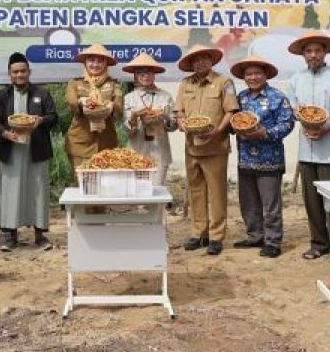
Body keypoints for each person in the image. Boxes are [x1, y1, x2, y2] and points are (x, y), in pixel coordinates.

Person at [287, 30, 330, 259]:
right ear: (303, 55)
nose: (313, 54)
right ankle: (318, 242)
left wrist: (326, 128)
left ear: (325, 52)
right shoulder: (296, 79)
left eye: (317, 50)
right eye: (309, 51)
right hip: (307, 149)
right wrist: (302, 117)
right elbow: (295, 109)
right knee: (312, 200)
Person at [174, 45, 238, 255]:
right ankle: (198, 232)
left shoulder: (224, 83)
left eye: (204, 58)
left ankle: (216, 235)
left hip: (215, 147)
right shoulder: (185, 84)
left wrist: (218, 130)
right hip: (191, 146)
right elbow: (179, 111)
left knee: (217, 193)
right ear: (191, 64)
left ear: (211, 61)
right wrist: (182, 122)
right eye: (196, 59)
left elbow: (231, 111)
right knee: (196, 191)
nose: (200, 62)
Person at [0, 53, 58, 251]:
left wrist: (40, 121)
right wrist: (4, 133)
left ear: (29, 72)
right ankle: (11, 236)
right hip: (10, 151)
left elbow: (54, 117)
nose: (19, 75)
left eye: (23, 71)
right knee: (10, 192)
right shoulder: (2, 96)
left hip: (36, 150)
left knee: (38, 191)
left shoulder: (42, 93)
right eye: (15, 72)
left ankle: (40, 236)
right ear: (9, 74)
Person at [231, 56, 294, 258]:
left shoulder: (278, 97)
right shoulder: (240, 98)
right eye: (249, 74)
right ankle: (255, 236)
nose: (253, 77)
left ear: (265, 75)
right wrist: (235, 129)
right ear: (244, 77)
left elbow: (287, 124)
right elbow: (233, 121)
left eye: (257, 73)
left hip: (270, 159)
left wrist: (265, 133)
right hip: (246, 157)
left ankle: (273, 241)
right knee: (248, 202)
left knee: (270, 203)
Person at [63, 43, 125, 173]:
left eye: (100, 61)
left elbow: (119, 110)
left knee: (106, 185)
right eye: (91, 60)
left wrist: (112, 106)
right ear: (85, 63)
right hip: (80, 142)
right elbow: (70, 103)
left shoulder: (114, 84)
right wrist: (80, 101)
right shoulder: (75, 82)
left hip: (107, 142)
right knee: (83, 184)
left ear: (105, 64)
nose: (95, 65)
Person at [122, 52, 177, 189]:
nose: (146, 76)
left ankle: (158, 210)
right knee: (138, 195)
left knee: (157, 193)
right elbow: (128, 130)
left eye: (149, 73)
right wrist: (134, 116)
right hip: (137, 151)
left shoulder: (165, 96)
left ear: (154, 75)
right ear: (135, 75)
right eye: (141, 73)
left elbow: (174, 125)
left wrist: (165, 117)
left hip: (160, 150)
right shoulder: (129, 98)